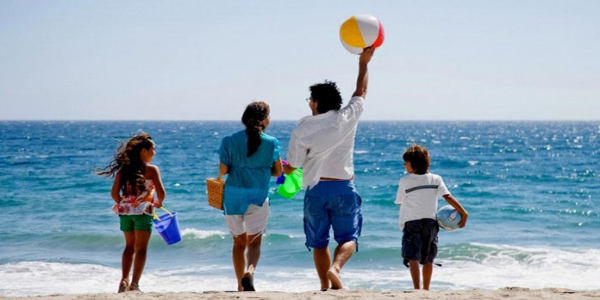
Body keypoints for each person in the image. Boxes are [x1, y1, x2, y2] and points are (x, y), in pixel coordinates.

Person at [283, 47, 376, 290]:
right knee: (349, 238)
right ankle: (336, 269)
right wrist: (364, 63)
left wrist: (283, 169)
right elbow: (361, 91)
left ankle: (326, 286)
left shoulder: (302, 128)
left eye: (309, 99)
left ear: (315, 103)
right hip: (343, 186)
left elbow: (293, 166)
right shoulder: (347, 116)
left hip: (316, 188)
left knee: (319, 242)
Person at [218, 101, 283, 292]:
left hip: (233, 196)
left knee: (238, 243)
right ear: (264, 120)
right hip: (258, 194)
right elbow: (278, 172)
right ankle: (250, 271)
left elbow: (223, 170)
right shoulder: (272, 142)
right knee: (254, 242)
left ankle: (240, 284)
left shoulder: (229, 140)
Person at [96, 132, 166, 293]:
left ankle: (124, 280)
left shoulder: (123, 171)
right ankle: (134, 284)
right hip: (143, 212)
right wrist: (158, 203)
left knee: (129, 247)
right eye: (153, 149)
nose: (154, 153)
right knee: (141, 249)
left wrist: (126, 203)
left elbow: (114, 194)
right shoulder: (152, 170)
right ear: (143, 151)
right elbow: (161, 194)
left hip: (125, 213)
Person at [395, 144, 468, 290]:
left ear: (414, 165)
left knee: (413, 257)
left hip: (411, 222)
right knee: (428, 258)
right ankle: (426, 289)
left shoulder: (405, 180)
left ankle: (417, 288)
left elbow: (399, 201)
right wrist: (463, 213)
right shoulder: (436, 179)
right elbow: (447, 196)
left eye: (406, 162)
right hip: (430, 222)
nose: (404, 165)